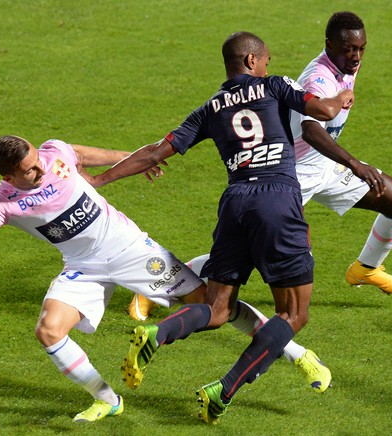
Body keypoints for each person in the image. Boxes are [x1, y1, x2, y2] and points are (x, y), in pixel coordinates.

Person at [0, 135, 330, 423]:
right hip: (82, 267)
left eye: (38, 160)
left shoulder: (54, 152)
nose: (40, 169)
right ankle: (106, 398)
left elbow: (86, 155)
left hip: (129, 248)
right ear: (10, 176)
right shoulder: (1, 204)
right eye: (29, 170)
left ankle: (300, 355)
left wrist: (131, 159)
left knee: (212, 308)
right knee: (49, 330)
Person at [86, 31, 372, 424]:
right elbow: (320, 113)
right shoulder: (274, 85)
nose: (268, 66)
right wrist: (339, 100)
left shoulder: (209, 109)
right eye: (266, 60)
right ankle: (224, 388)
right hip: (276, 200)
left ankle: (159, 333)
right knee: (294, 315)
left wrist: (99, 181)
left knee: (217, 307)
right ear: (252, 62)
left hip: (236, 203)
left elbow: (154, 152)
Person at [290, 11, 392, 294]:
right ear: (330, 45)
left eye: (361, 49)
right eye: (349, 49)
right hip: (291, 175)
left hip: (326, 165)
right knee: (250, 254)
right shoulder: (318, 81)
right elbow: (311, 131)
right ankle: (180, 279)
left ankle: (366, 268)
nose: (357, 57)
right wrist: (354, 164)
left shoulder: (348, 64)